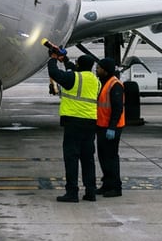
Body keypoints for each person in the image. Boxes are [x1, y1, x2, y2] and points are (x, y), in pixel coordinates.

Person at [46, 48, 99, 202]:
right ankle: (90, 192)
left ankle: (72, 192)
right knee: (88, 159)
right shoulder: (95, 80)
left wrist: (53, 58)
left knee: (71, 158)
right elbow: (74, 74)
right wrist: (66, 61)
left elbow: (55, 73)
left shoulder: (74, 78)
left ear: (79, 65)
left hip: (73, 123)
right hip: (90, 123)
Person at [95, 58, 126, 197]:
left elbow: (118, 108)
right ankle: (107, 184)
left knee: (111, 157)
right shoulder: (104, 82)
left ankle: (115, 187)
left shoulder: (115, 85)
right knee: (103, 157)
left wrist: (112, 127)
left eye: (99, 67)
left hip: (112, 128)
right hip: (102, 126)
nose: (96, 69)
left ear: (105, 70)